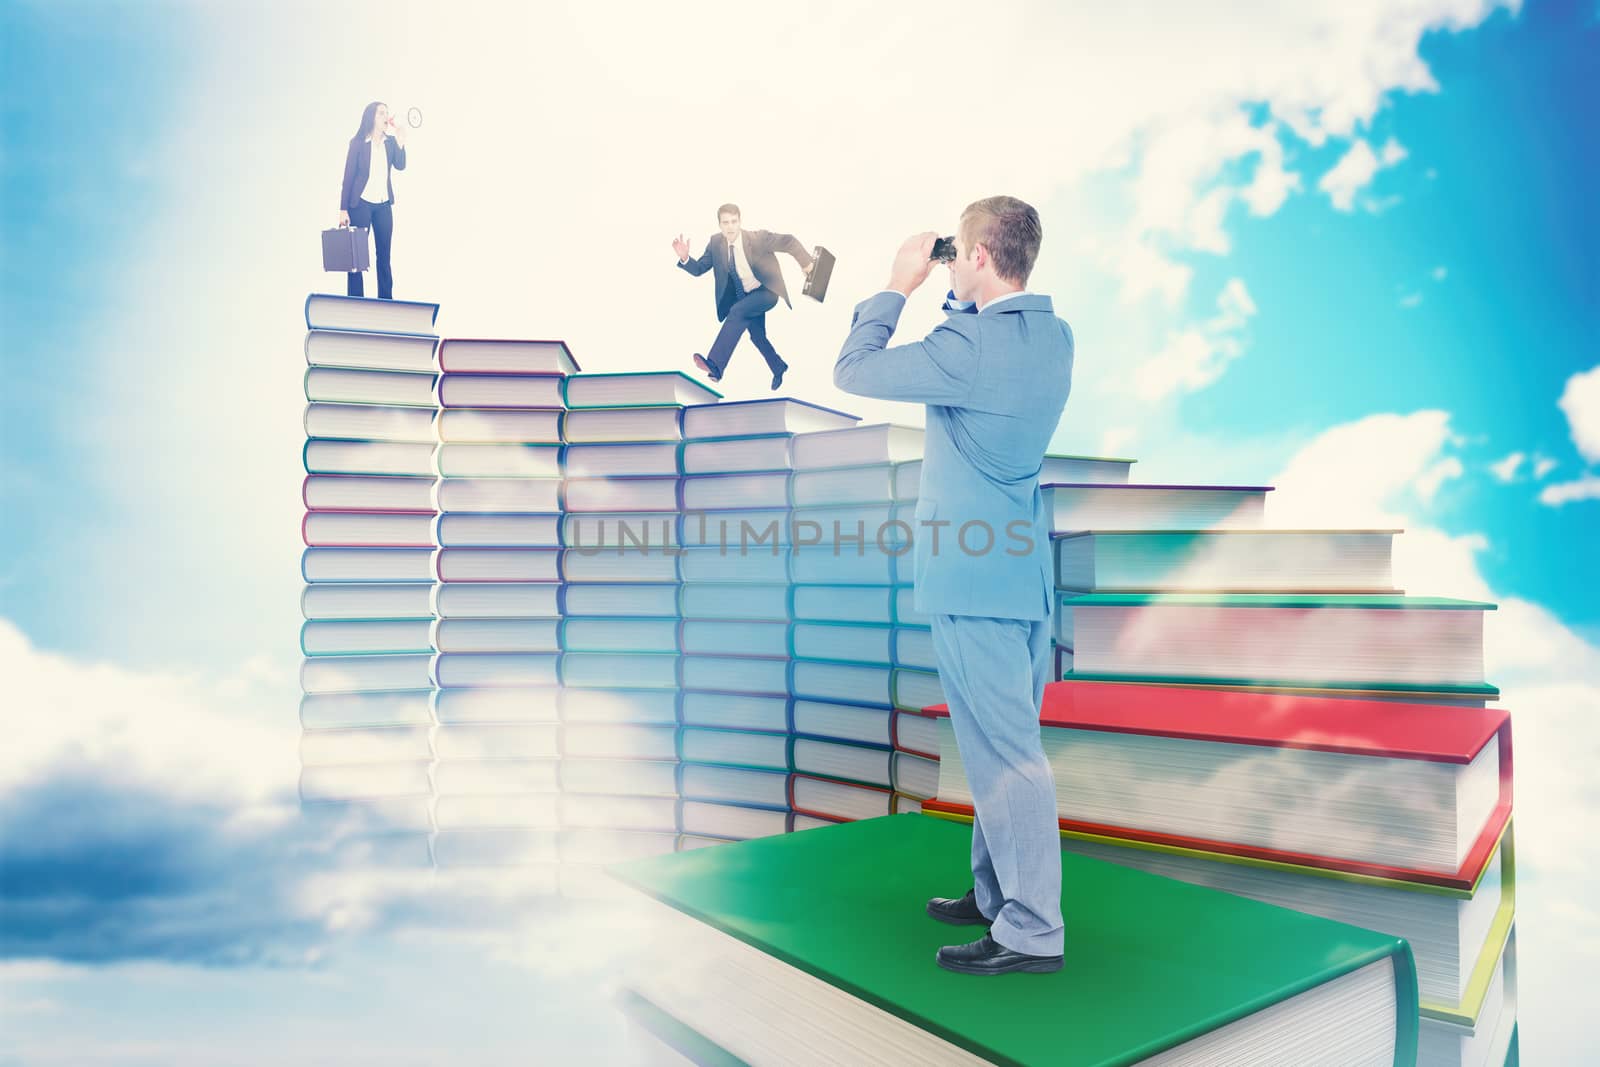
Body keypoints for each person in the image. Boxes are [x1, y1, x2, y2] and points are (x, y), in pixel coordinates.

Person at [833, 196, 1073, 976]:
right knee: (993, 742)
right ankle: (997, 889)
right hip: (1024, 573)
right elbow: (968, 347)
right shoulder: (1052, 336)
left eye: (958, 253)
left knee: (1008, 757)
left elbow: (856, 368)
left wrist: (898, 283)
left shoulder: (963, 345)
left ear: (976, 257)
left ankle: (1032, 927)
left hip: (973, 581)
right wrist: (955, 282)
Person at [672, 204, 815, 390]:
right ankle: (779, 367)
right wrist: (685, 258)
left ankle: (715, 366)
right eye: (725, 223)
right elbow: (700, 269)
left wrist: (807, 265)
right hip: (746, 298)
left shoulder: (758, 238)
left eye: (734, 222)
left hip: (766, 292)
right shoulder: (716, 244)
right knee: (757, 336)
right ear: (720, 225)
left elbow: (789, 242)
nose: (730, 227)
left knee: (737, 312)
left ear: (740, 222)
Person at [337, 101, 408, 300]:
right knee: (357, 256)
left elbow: (401, 165)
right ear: (371, 117)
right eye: (381, 113)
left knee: (384, 256)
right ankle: (356, 299)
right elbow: (348, 177)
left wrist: (401, 141)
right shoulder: (358, 143)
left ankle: (386, 299)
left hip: (383, 206)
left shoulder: (391, 143)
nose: (386, 116)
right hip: (360, 205)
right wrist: (343, 209)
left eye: (387, 112)